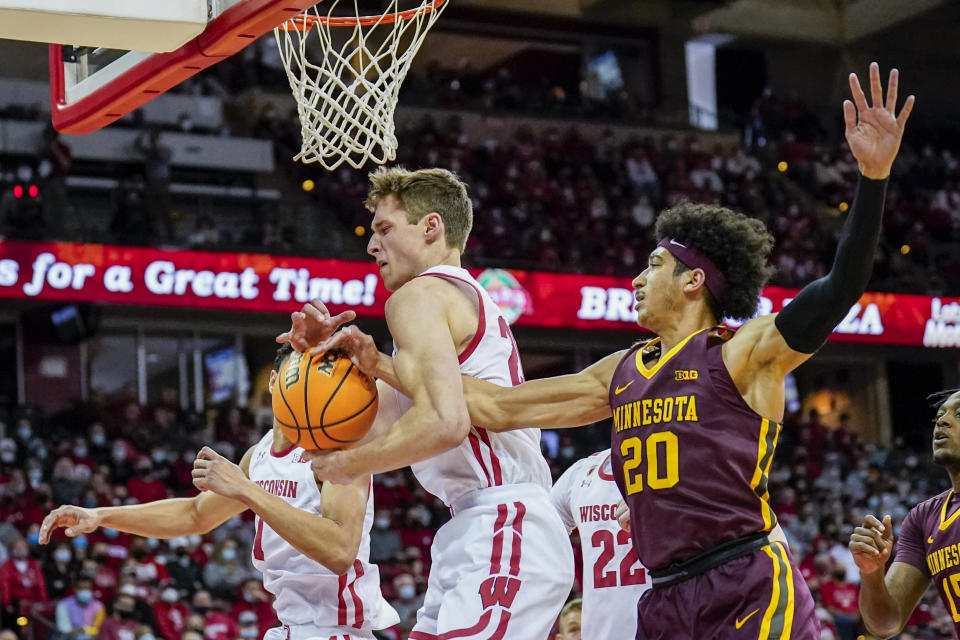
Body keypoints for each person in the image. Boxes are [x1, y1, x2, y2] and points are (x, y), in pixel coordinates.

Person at [320, 63, 913, 639]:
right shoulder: (621, 372)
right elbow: (499, 409)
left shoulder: (742, 352)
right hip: (662, 593)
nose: (635, 280)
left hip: (743, 575)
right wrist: (380, 366)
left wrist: (875, 178)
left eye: (653, 266)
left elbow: (840, 289)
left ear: (693, 282)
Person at [279, 167, 574, 639]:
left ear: (431, 226)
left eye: (384, 229)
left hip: (503, 520)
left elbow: (445, 423)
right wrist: (313, 367)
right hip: (478, 526)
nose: (371, 246)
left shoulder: (419, 295)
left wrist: (346, 464)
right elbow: (373, 429)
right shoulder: (448, 304)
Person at [38, 344, 399, 639]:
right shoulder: (257, 455)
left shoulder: (338, 455)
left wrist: (245, 490)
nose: (307, 385)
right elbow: (195, 515)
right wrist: (101, 516)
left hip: (335, 630)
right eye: (298, 375)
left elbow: (339, 550)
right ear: (275, 382)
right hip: (292, 625)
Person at [848, 388, 960, 638]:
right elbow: (885, 624)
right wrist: (871, 572)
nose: (942, 421)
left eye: (959, 413)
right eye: (939, 416)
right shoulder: (923, 518)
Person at [549, 450, 649, 639]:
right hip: (598, 632)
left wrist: (659, 503)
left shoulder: (679, 467)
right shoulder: (580, 472)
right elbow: (539, 534)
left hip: (664, 624)